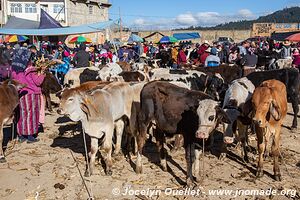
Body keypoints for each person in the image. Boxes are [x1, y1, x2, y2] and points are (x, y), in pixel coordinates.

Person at [11, 47, 46, 143]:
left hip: (20, 95)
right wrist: (42, 73)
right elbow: (38, 82)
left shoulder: (14, 70)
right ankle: (30, 135)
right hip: (32, 95)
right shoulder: (31, 69)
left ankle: (21, 135)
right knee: (31, 114)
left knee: (21, 114)